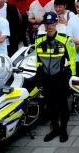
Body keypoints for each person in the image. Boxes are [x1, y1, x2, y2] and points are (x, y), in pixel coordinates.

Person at [32, 11, 76, 142]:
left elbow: (72, 60)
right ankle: (55, 128)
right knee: (50, 105)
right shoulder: (38, 40)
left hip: (60, 77)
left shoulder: (65, 40)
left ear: (56, 23)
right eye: (46, 23)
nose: (49, 26)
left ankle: (63, 130)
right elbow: (38, 59)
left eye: (51, 23)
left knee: (62, 105)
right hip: (46, 77)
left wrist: (71, 79)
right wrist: (39, 74)